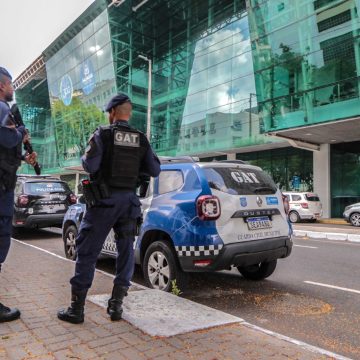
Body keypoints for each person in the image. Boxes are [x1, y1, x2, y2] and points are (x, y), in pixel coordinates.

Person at [58, 93, 161, 324]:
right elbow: (155, 170)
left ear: (112, 112)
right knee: (125, 253)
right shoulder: (141, 138)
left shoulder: (103, 134)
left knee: (87, 253)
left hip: (104, 202)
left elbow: (90, 164)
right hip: (129, 204)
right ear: (129, 113)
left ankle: (77, 309)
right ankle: (116, 307)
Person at [0, 67, 37, 322]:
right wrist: (21, 132)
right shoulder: (2, 109)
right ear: (3, 85)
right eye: (11, 84)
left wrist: (23, 156)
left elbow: (5, 151)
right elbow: (7, 137)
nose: (13, 89)